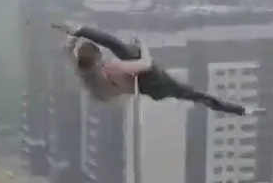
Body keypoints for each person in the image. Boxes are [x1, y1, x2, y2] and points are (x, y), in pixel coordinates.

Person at [54, 21, 247, 115]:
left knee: (191, 94)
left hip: (142, 89)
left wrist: (72, 40)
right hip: (149, 78)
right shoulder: (112, 67)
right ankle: (237, 109)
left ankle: (237, 110)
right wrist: (144, 46)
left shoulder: (82, 71)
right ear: (97, 60)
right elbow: (145, 63)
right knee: (119, 46)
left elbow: (68, 52)